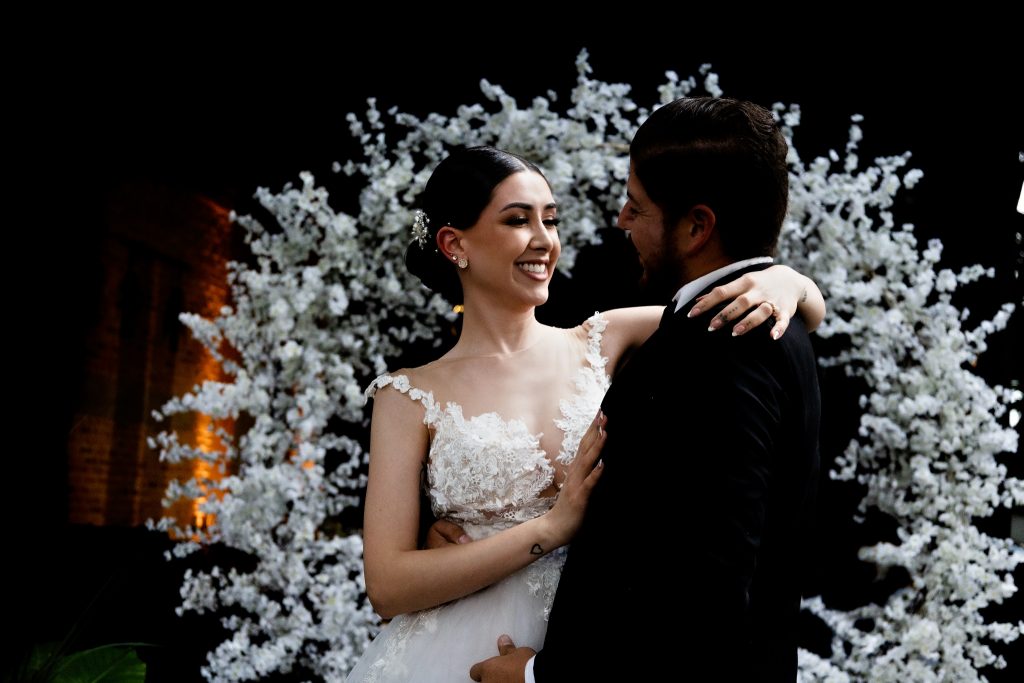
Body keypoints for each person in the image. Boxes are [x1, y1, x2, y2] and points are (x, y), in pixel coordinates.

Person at [344, 144, 824, 682]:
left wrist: (789, 282)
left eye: (550, 220)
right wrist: (551, 528)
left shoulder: (606, 339)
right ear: (455, 244)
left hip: (598, 644)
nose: (544, 240)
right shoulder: (407, 395)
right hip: (461, 655)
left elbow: (732, 306)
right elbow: (386, 585)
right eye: (517, 220)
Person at [468, 97, 822, 682]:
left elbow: (702, 592)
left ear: (696, 226)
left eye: (637, 205)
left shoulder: (718, 349)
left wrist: (541, 677)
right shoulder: (766, 326)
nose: (621, 220)